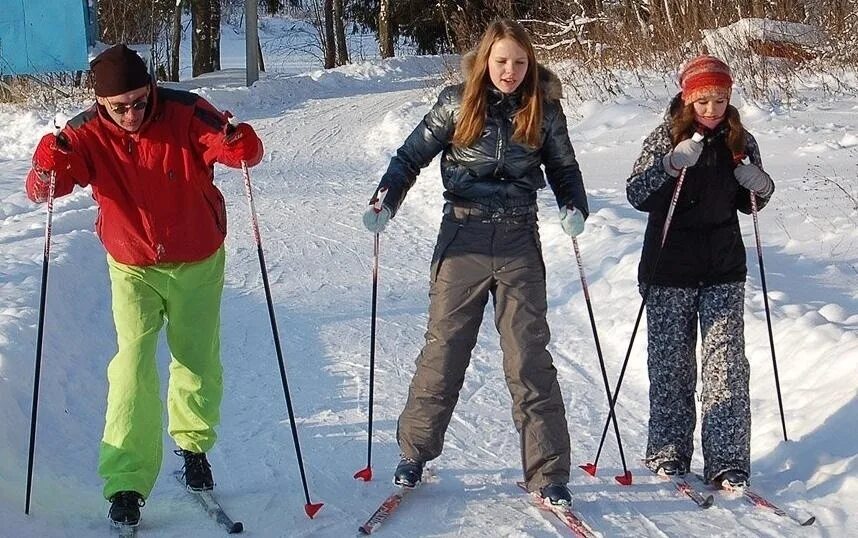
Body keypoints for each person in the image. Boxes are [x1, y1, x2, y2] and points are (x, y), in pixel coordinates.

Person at [25, 44, 263, 527]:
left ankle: (193, 450)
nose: (132, 113)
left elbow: (241, 150)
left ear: (151, 88)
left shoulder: (185, 110)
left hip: (196, 256)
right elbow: (41, 190)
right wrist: (47, 162)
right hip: (131, 263)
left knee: (196, 358)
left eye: (139, 100)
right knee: (131, 367)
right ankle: (126, 482)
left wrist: (240, 143)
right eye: (120, 106)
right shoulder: (85, 133)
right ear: (100, 103)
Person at [362, 19, 588, 506]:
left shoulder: (544, 109)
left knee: (528, 357)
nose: (510, 71)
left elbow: (565, 169)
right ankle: (415, 453)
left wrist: (574, 206)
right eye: (502, 61)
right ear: (485, 60)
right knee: (444, 350)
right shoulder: (455, 101)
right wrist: (386, 199)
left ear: (531, 65)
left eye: (520, 62)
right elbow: (408, 158)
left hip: (518, 239)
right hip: (462, 235)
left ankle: (549, 473)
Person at [626, 55, 774, 489]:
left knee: (725, 367)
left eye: (720, 99)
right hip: (668, 267)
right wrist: (670, 165)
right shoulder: (664, 137)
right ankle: (669, 451)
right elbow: (637, 193)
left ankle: (727, 461)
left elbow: (754, 203)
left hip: (723, 267)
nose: (711, 109)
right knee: (672, 365)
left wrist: (760, 184)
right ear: (689, 99)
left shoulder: (740, 141)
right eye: (703, 100)